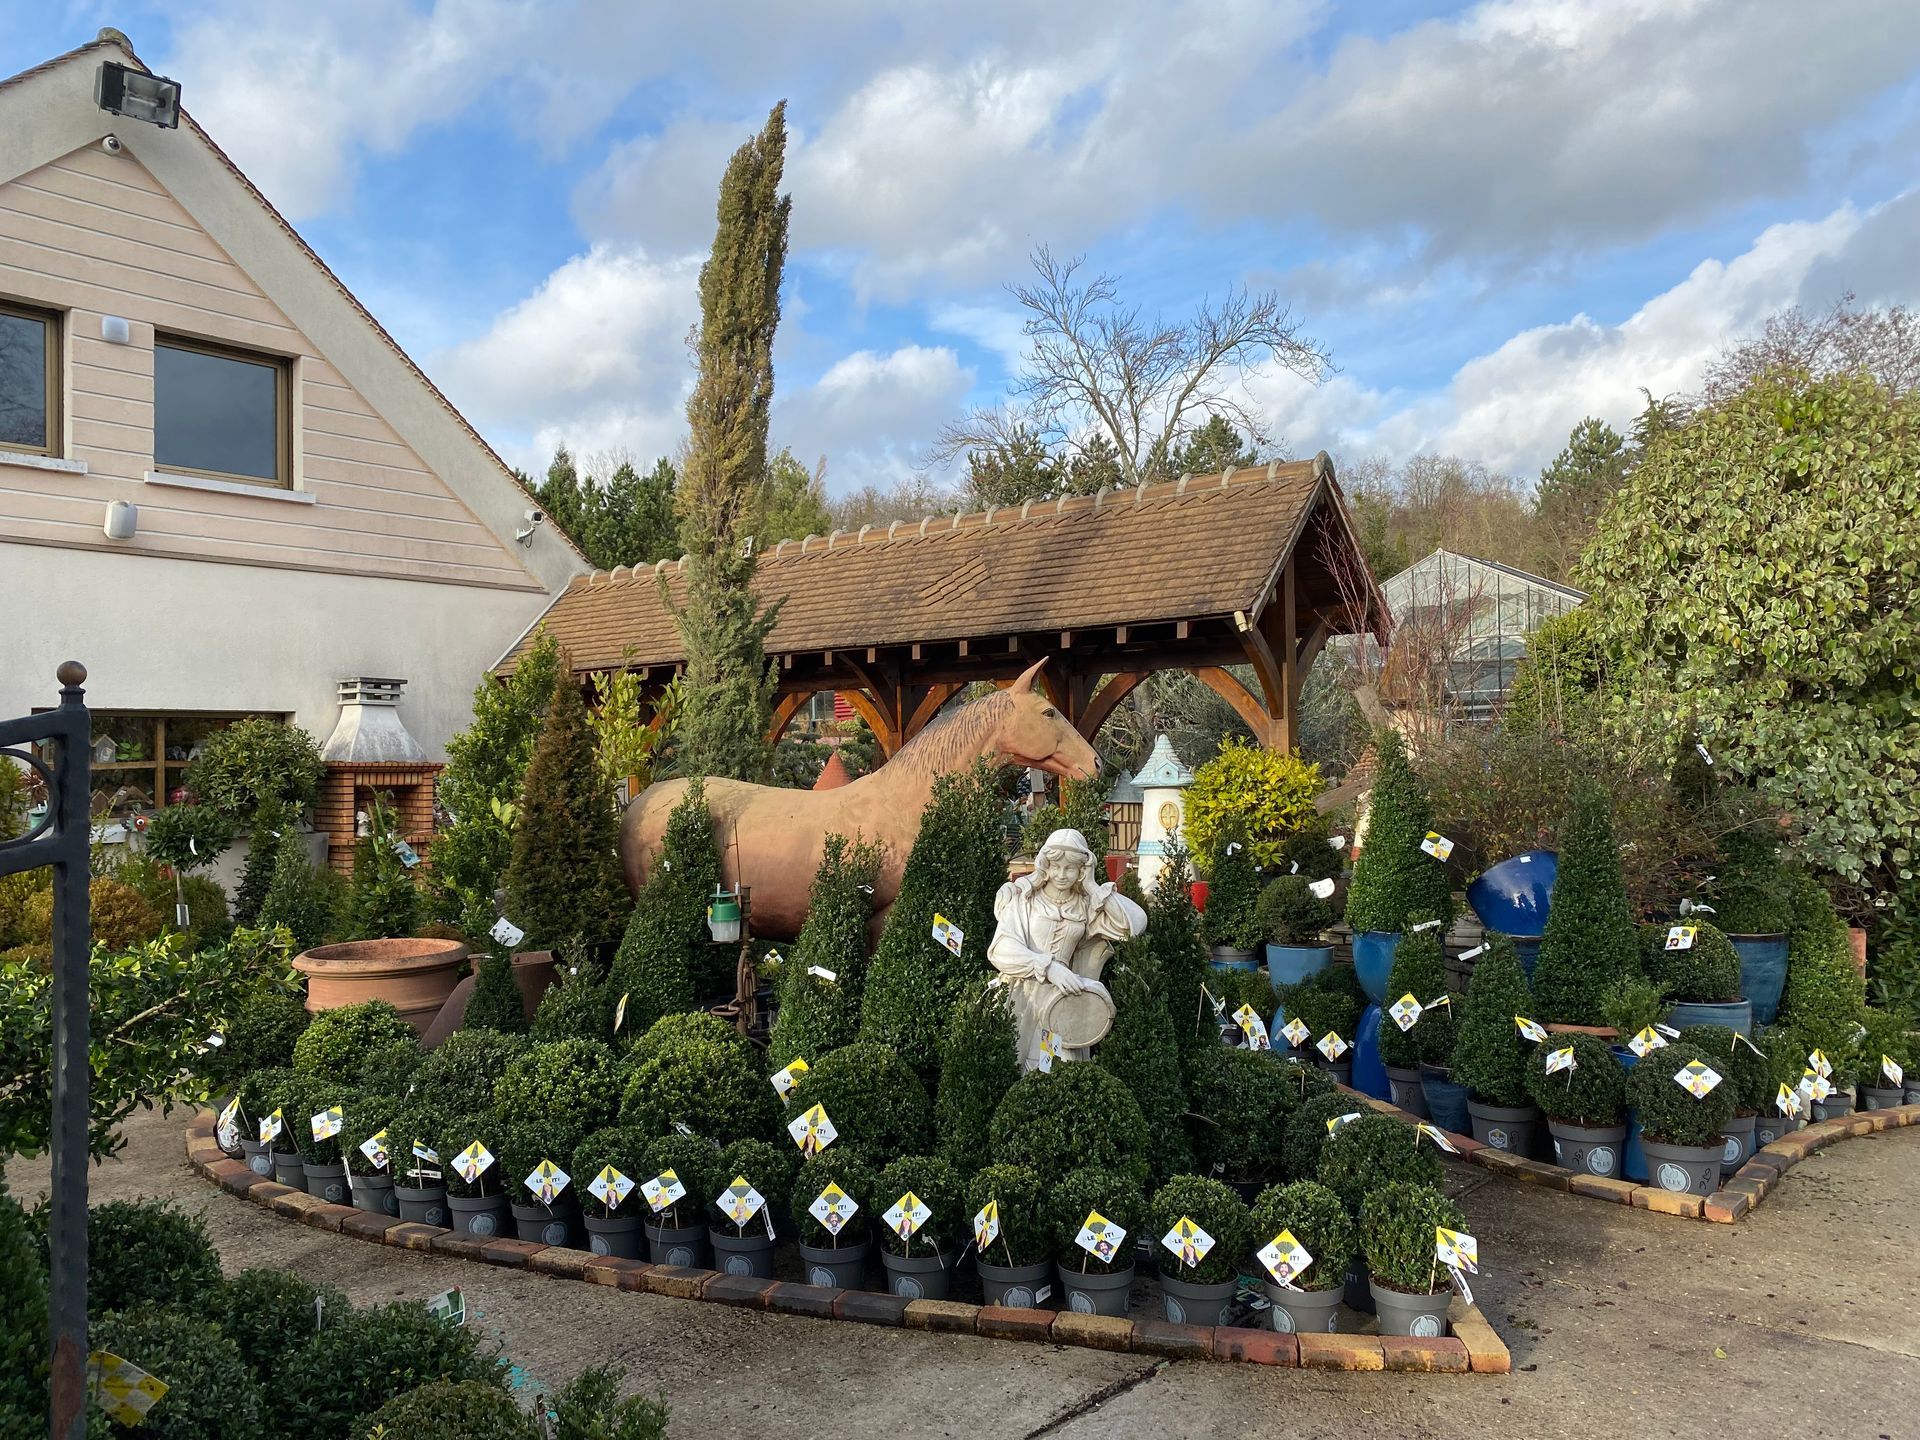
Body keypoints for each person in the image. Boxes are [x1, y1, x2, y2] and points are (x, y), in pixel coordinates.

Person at [987, 827, 1147, 1070]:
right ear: (1045, 866)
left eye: (1070, 868)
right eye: (1055, 867)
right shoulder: (1024, 900)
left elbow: (1132, 925)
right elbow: (1000, 949)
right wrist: (1048, 967)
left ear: (1081, 870)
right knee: (1024, 1067)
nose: (1061, 874)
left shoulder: (1083, 906)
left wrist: (1093, 886)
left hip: (1064, 1000)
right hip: (1026, 995)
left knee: (1054, 1067)